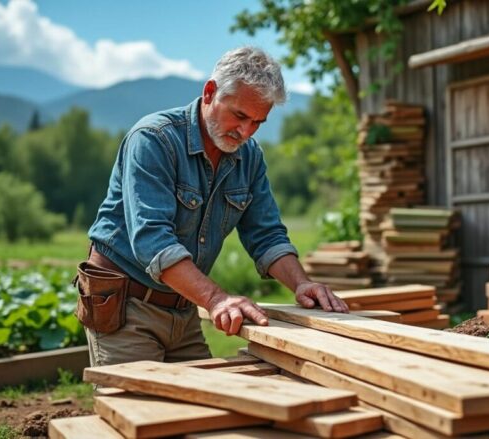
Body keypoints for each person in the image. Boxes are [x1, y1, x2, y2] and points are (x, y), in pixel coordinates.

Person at [80, 46, 348, 367]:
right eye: (239, 116)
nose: (246, 131)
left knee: (200, 412)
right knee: (138, 409)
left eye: (258, 122)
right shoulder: (153, 139)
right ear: (210, 92)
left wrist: (301, 283)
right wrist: (217, 299)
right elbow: (153, 242)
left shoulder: (249, 157)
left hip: (184, 305)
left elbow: (267, 235)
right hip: (125, 305)